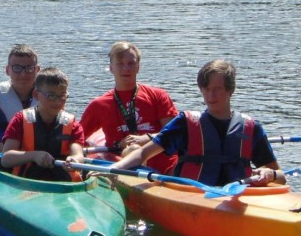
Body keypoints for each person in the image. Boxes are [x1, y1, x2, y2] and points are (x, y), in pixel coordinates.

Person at [112, 59, 285, 187]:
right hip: (192, 194)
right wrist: (115, 168)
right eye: (206, 90)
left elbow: (281, 177)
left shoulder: (252, 128)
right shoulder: (185, 124)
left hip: (238, 195)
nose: (210, 96)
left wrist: (270, 174)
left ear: (230, 90)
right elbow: (143, 154)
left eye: (216, 90)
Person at [79, 41, 178, 174]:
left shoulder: (158, 96)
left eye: (131, 63)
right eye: (120, 64)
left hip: (164, 168)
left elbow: (174, 133)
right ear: (111, 68)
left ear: (138, 67)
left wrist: (146, 138)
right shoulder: (99, 105)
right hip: (124, 163)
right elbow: (77, 139)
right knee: (133, 149)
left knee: (137, 147)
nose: (126, 69)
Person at [0, 68, 85, 182]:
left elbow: (78, 154)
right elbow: (6, 158)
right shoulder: (20, 120)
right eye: (51, 95)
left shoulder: (73, 124)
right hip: (26, 182)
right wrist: (34, 156)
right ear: (36, 94)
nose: (58, 102)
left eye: (62, 95)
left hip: (63, 183)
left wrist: (75, 160)